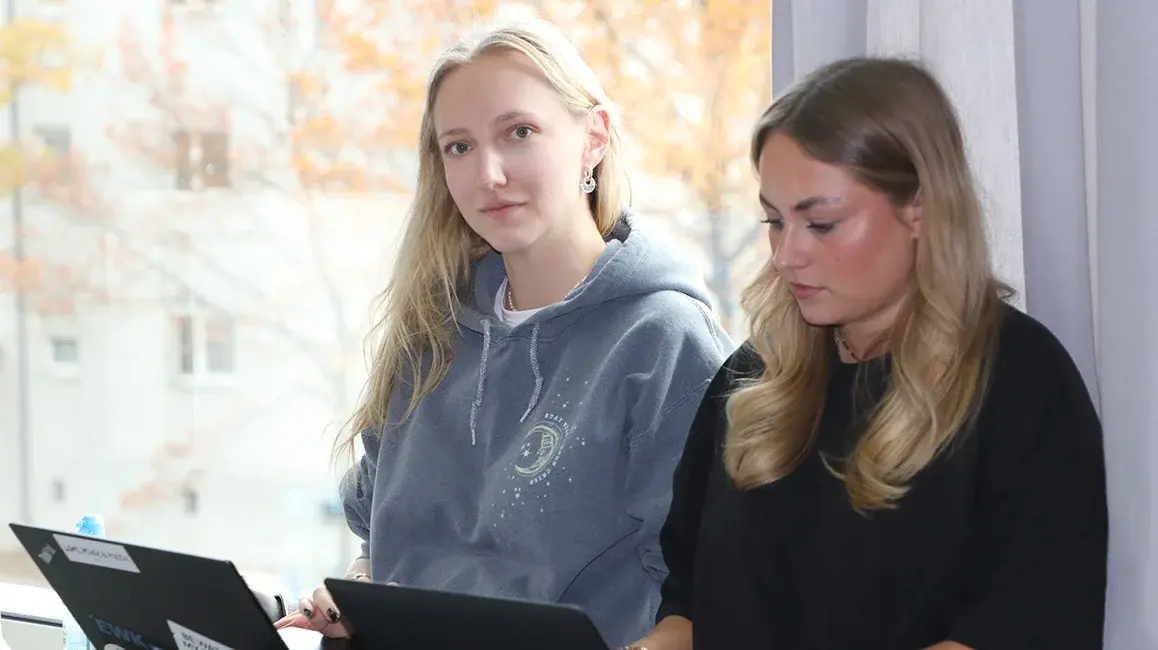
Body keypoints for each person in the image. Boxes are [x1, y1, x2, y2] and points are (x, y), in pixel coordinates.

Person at [274, 18, 733, 648]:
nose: (488, 173)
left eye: (519, 133)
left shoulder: (664, 343)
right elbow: (377, 546)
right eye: (458, 147)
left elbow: (704, 600)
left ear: (593, 138)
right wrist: (351, 596)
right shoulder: (430, 333)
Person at [629, 57, 1108, 650]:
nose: (786, 256)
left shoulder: (1020, 383)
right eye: (774, 221)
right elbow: (688, 609)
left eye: (822, 224)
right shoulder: (755, 377)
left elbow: (1032, 623)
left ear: (920, 210)